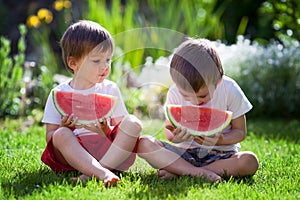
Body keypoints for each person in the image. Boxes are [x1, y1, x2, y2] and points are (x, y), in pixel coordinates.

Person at [137, 38, 259, 182]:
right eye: (186, 95)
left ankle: (180, 171)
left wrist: (221, 140)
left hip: (222, 156)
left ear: (218, 81)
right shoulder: (174, 92)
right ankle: (194, 172)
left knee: (249, 161)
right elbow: (169, 133)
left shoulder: (230, 89)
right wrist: (177, 137)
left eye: (202, 95)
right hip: (184, 154)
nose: (195, 101)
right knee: (144, 143)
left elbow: (240, 132)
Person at [41, 20, 142, 187]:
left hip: (106, 151)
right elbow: (50, 137)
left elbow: (120, 130)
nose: (105, 67)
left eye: (108, 60)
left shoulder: (110, 89)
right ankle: (102, 173)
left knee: (133, 123)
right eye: (96, 61)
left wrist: (105, 130)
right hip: (72, 155)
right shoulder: (58, 93)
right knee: (60, 135)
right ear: (73, 63)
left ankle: (95, 171)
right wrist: (65, 128)